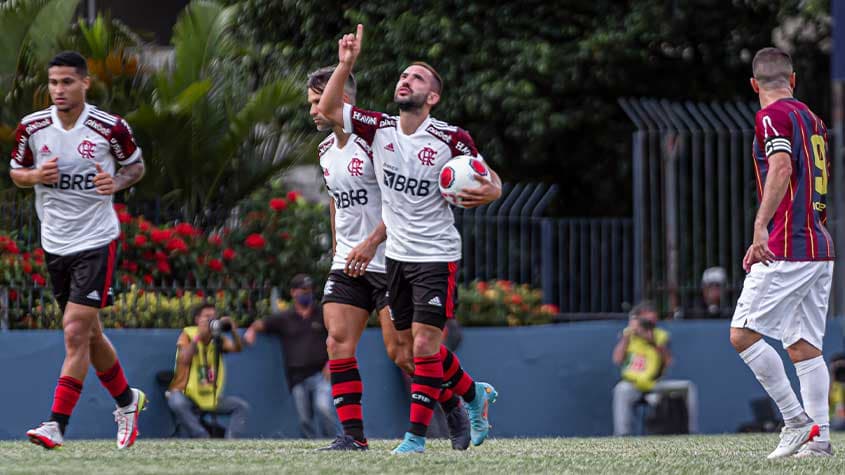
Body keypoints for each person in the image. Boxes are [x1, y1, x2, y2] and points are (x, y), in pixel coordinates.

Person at [318, 25, 503, 453]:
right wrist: (345, 63)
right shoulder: (378, 128)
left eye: (416, 78)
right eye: (402, 76)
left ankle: (415, 439)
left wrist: (492, 190)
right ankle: (472, 395)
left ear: (432, 97)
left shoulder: (450, 138)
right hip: (396, 256)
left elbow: (486, 176)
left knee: (418, 347)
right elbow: (330, 110)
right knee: (401, 350)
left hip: (435, 254)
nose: (405, 80)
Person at [306, 67, 470, 451]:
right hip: (348, 262)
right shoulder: (325, 150)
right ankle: (353, 436)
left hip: (390, 259)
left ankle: (455, 401)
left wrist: (370, 242)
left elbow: (402, 201)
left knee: (405, 353)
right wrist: (338, 247)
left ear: (341, 99)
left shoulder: (376, 140)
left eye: (318, 102)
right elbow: (335, 199)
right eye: (312, 103)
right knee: (336, 342)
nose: (313, 110)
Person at [9, 51, 146, 450]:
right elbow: (16, 172)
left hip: (96, 240)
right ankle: (127, 401)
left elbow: (136, 166)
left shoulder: (109, 127)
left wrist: (116, 184)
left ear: (85, 83)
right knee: (88, 335)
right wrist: (35, 175)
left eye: (67, 82)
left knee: (73, 331)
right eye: (53, 83)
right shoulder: (32, 127)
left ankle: (56, 424)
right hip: (55, 243)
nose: (59, 90)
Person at [730, 47, 834, 459]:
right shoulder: (812, 118)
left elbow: (781, 167)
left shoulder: (771, 115)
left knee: (742, 333)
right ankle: (820, 439)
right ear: (792, 80)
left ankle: (795, 421)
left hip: (788, 244)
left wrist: (760, 228)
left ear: (755, 85)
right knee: (803, 346)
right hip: (818, 245)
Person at [245, 274, 338, 438]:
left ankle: (334, 440)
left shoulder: (322, 314)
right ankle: (312, 445)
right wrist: (252, 330)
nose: (307, 294)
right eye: (303, 290)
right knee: (304, 419)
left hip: (320, 374)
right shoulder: (285, 318)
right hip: (297, 376)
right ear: (293, 292)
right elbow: (262, 324)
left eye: (309, 290)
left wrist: (331, 363)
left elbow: (336, 336)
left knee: (323, 409)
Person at [611, 301, 698, 436]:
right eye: (645, 322)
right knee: (621, 389)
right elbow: (617, 359)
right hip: (634, 385)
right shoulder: (629, 335)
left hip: (656, 384)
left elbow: (669, 361)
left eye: (651, 322)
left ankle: (692, 432)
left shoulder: (660, 335)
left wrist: (652, 342)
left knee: (688, 387)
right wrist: (628, 336)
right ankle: (622, 435)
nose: (648, 325)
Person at [166, 304, 249, 438]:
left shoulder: (218, 338)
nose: (211, 320)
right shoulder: (188, 335)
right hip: (188, 394)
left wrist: (233, 330)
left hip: (209, 396)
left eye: (214, 317)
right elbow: (184, 359)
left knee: (241, 406)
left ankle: (232, 443)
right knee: (176, 401)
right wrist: (198, 337)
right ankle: (201, 436)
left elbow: (237, 348)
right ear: (197, 319)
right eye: (207, 317)